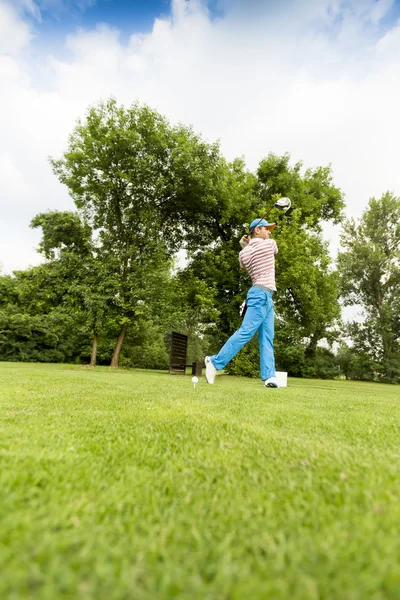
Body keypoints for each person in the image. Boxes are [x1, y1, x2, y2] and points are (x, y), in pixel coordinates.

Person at [205, 218, 279, 387]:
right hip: (260, 295)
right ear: (257, 230)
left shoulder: (243, 253)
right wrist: (251, 243)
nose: (270, 232)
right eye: (267, 229)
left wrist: (246, 245)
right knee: (246, 332)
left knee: (267, 338)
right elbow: (273, 249)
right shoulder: (269, 244)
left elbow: (244, 265)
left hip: (264, 296)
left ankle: (269, 377)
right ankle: (215, 363)